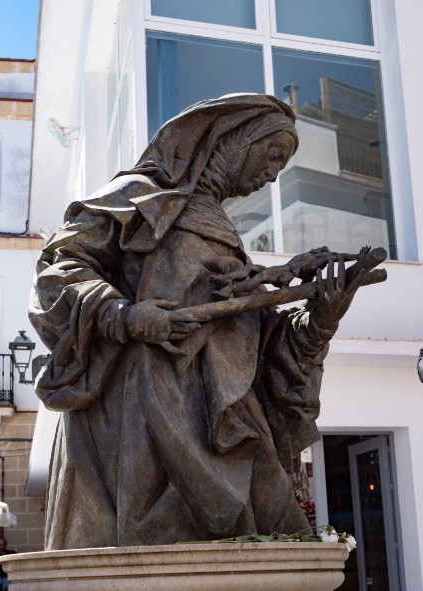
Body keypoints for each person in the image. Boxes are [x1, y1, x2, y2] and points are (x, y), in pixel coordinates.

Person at [29, 93, 384, 550]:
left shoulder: (223, 232)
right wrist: (124, 316)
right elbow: (58, 271)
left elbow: (255, 344)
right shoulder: (139, 196)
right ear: (234, 139)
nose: (274, 173)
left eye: (283, 163)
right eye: (273, 153)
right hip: (141, 412)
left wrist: (321, 321)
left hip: (223, 414)